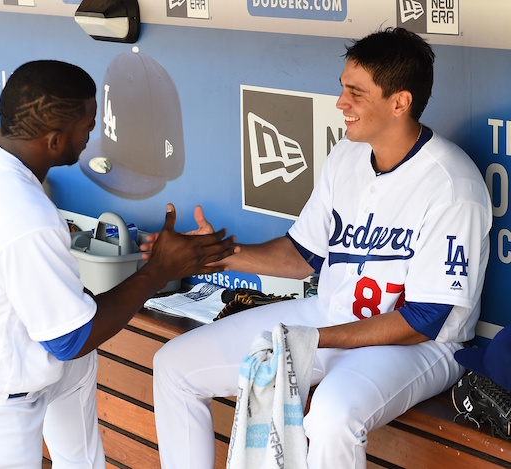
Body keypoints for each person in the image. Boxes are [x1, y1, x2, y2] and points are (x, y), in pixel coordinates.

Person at [151, 27, 493, 468]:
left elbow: (426, 320)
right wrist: (217, 254)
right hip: (331, 317)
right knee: (174, 366)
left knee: (331, 416)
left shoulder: (452, 184)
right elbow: (303, 256)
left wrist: (312, 341)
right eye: (342, 89)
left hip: (418, 348)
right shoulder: (346, 157)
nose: (341, 103)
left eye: (356, 92)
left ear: (399, 102)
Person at [0, 60, 235, 469]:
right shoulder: (23, 216)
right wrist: (159, 269)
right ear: (54, 141)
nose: (94, 132)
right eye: (88, 125)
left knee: (76, 367)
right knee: (75, 347)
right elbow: (69, 339)